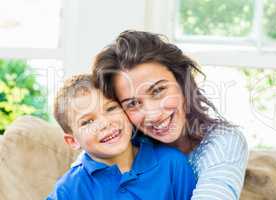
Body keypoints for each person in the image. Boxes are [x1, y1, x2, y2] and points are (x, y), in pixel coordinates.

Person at [92, 30, 249, 200]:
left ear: (182, 82)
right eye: (133, 103)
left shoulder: (223, 141)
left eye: (158, 90)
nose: (153, 115)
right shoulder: (121, 142)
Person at [46, 74, 196, 200]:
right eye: (88, 122)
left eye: (111, 108)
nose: (105, 123)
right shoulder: (68, 190)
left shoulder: (172, 164)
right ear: (73, 141)